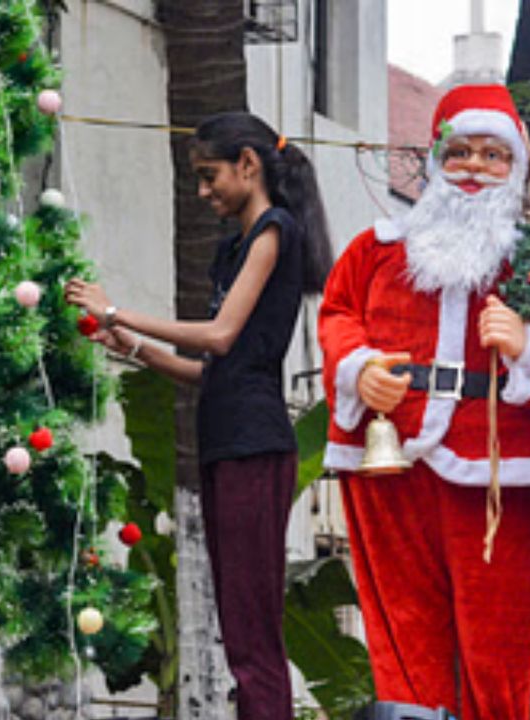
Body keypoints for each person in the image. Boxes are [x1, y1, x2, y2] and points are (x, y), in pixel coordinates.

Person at [320, 84, 530, 720]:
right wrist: (360, 367)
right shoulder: (377, 248)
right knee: (401, 628)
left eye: (493, 155)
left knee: (495, 636)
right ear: (436, 159)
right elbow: (338, 313)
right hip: (387, 456)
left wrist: (526, 345)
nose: (474, 168)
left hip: (496, 466)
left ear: (517, 169)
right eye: (460, 152)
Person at [64, 111, 331, 720]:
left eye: (210, 176)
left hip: (253, 445)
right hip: (226, 439)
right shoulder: (235, 246)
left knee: (252, 636)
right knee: (238, 629)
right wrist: (137, 350)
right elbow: (212, 370)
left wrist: (116, 314)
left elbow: (219, 334)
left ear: (249, 164)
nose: (204, 191)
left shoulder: (273, 230)